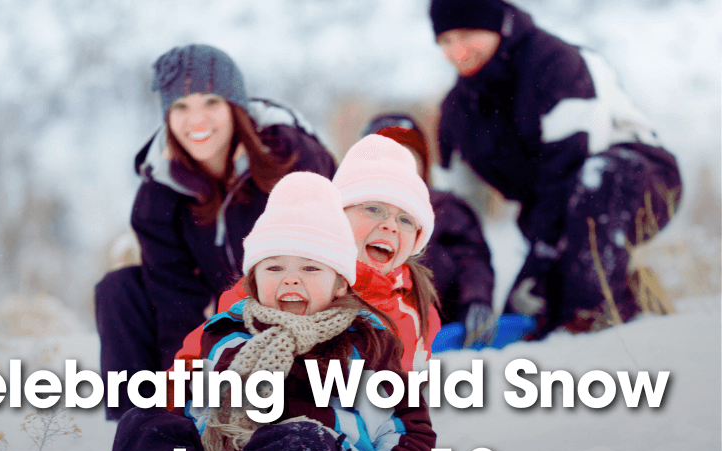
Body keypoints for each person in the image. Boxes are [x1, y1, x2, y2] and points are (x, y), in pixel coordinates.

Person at [111, 172, 436, 451]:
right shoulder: (224, 333)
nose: (291, 279)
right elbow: (185, 401)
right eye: (275, 267)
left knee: (305, 440)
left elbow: (410, 430)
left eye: (310, 268)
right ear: (253, 279)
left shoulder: (368, 342)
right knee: (142, 422)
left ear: (341, 283)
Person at [95, 44, 337, 420]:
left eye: (210, 101)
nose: (196, 120)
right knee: (119, 290)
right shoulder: (159, 191)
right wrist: (181, 388)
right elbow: (173, 296)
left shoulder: (292, 156)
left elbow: (330, 251)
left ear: (234, 106)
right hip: (220, 309)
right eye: (180, 106)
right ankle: (140, 421)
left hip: (297, 299)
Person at [429, 0, 682, 339]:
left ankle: (600, 322)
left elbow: (572, 164)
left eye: (467, 34)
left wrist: (543, 254)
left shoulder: (554, 62)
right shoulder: (459, 109)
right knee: (527, 312)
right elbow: (448, 205)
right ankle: (629, 295)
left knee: (594, 188)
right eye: (445, 41)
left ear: (497, 25)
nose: (456, 50)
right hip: (551, 207)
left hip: (635, 179)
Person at [175, 134, 441, 373]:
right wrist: (165, 413)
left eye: (406, 220)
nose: (390, 225)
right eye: (373, 209)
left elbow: (409, 401)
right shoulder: (278, 280)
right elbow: (197, 359)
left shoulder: (418, 309)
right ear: (339, 215)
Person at [363, 113, 496, 347]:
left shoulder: (444, 208)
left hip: (440, 323)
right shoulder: (350, 211)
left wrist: (476, 300)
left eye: (409, 158)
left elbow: (471, 259)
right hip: (369, 324)